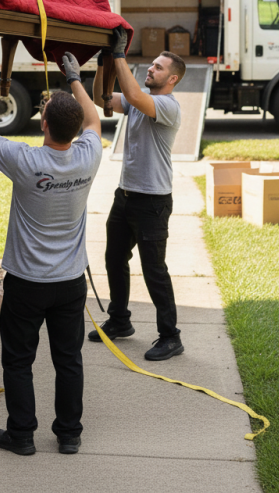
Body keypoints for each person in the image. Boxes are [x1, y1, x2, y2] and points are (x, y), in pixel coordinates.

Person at [0, 53, 103, 457]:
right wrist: (75, 78)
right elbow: (95, 122)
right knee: (69, 361)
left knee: (18, 361)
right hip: (68, 283)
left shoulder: (26, 160)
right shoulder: (88, 155)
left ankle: (22, 435)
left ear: (43, 124)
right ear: (75, 127)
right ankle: (69, 435)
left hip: (27, 284)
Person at [90, 26, 186, 361]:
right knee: (114, 260)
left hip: (152, 202)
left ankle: (171, 337)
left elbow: (131, 95)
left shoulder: (167, 106)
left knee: (154, 270)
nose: (151, 68)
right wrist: (105, 63)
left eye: (159, 67)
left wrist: (119, 56)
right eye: (152, 65)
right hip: (126, 196)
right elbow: (100, 98)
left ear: (172, 79)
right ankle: (119, 321)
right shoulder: (137, 103)